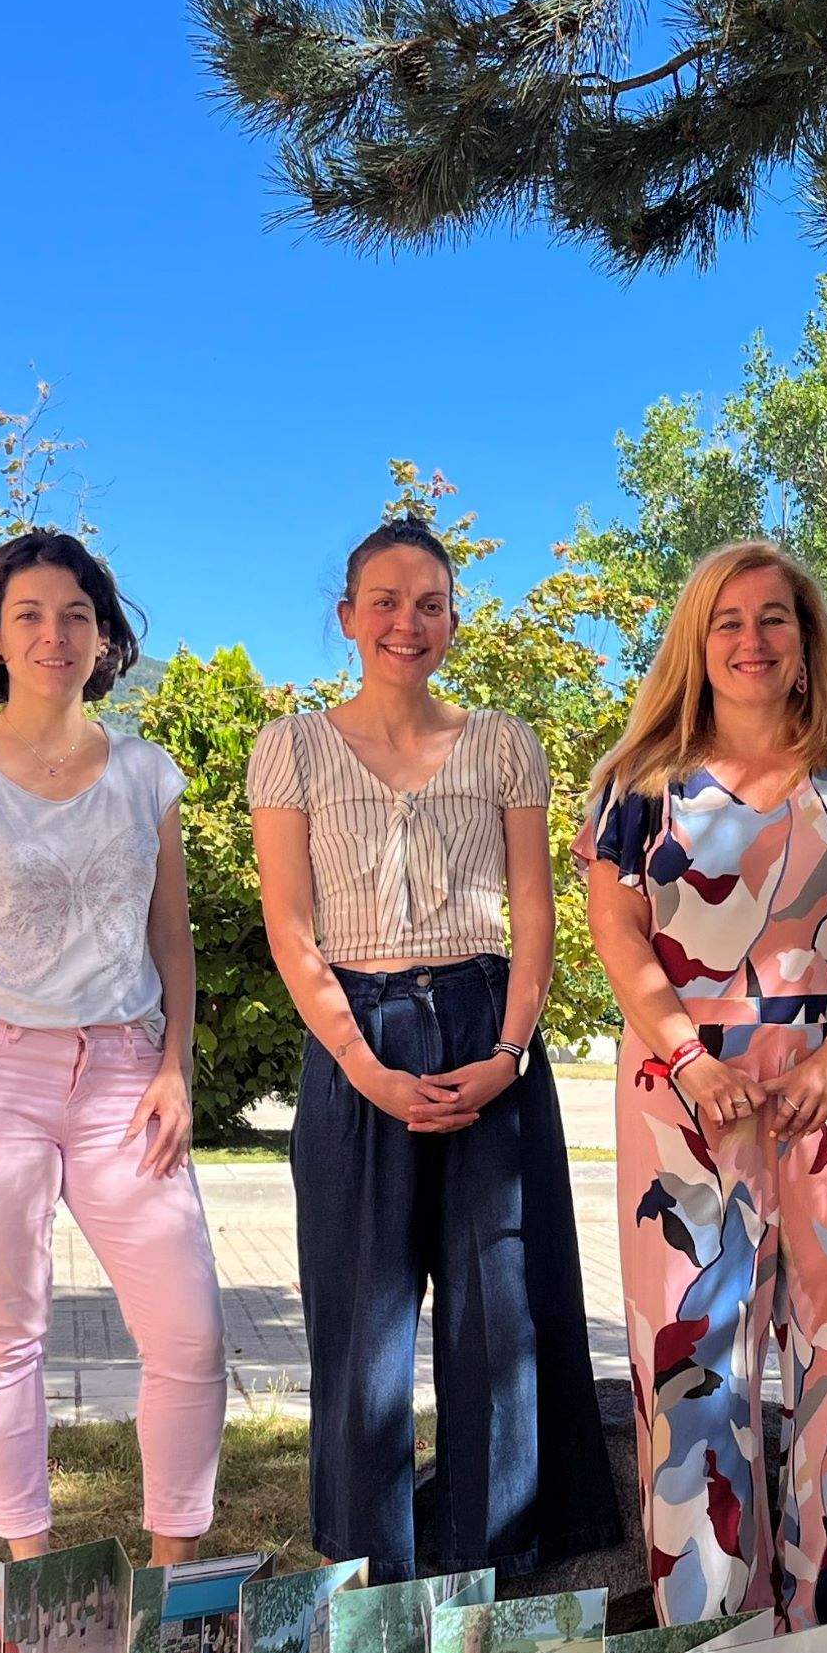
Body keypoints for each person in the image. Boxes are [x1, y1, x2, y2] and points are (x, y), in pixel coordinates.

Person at [250, 518, 616, 1583]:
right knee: (360, 1319)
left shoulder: (505, 743)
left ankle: (490, 1563)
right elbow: (290, 927)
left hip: (485, 1024)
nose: (407, 622)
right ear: (348, 617)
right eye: (386, 601)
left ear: (453, 620)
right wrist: (362, 1068)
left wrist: (509, 1050)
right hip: (354, 1037)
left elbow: (537, 918)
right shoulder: (295, 747)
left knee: (496, 1310)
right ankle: (370, 1573)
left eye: (429, 603)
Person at [580, 540, 827, 1637]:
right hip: (686, 1093)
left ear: (805, 639)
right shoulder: (636, 784)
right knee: (696, 1352)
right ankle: (708, 1619)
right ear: (697, 639)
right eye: (727, 620)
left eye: (773, 618)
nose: (750, 640)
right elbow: (618, 934)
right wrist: (689, 1053)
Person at [0, 529, 229, 1566]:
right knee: (4, 1334)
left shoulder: (146, 774)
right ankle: (35, 1578)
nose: (54, 634)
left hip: (124, 1070)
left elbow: (172, 939)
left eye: (76, 615)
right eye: (29, 614)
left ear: (103, 636)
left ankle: (176, 1579)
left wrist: (176, 1068)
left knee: (191, 1333)